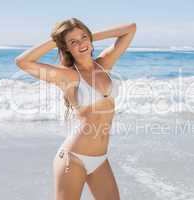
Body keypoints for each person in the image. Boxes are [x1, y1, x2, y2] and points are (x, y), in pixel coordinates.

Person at [15, 17, 137, 200]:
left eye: (83, 37)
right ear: (66, 48)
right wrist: (57, 40)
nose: (81, 44)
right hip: (73, 159)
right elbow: (23, 62)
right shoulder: (68, 76)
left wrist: (88, 36)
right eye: (73, 42)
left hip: (100, 159)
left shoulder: (104, 65)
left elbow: (130, 29)